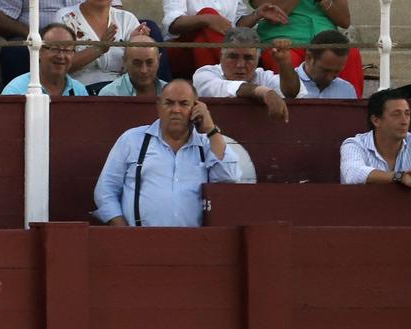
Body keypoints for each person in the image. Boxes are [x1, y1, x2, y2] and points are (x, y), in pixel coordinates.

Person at [94, 79, 239, 223]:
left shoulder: (207, 144)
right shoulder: (132, 139)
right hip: (138, 240)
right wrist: (122, 231)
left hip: (194, 242)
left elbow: (228, 179)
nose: (176, 110)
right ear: (159, 106)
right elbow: (105, 191)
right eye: (169, 103)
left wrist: (211, 129)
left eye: (184, 104)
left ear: (196, 107)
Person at [56, 0, 138, 91]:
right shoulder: (65, 18)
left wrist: (137, 46)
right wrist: (98, 49)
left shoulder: (127, 19)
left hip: (120, 93)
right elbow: (59, 66)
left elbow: (140, 68)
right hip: (80, 92)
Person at [192, 26, 298, 121]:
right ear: (221, 56)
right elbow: (225, 88)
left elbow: (293, 93)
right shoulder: (205, 74)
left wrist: (285, 63)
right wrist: (264, 92)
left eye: (248, 58)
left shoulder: (263, 77)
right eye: (233, 57)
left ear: (258, 59)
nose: (240, 64)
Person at [340, 90, 411, 186]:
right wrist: (399, 176)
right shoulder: (354, 144)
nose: (404, 121)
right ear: (376, 121)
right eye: (396, 114)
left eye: (407, 114)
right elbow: (352, 174)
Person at [0, 21, 88, 96]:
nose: (61, 56)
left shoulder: (79, 91)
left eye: (67, 50)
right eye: (54, 49)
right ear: (39, 51)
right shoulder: (16, 90)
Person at [93, 32, 161, 97]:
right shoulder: (110, 94)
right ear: (125, 61)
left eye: (150, 63)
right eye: (136, 63)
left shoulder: (169, 92)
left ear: (159, 60)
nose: (144, 70)